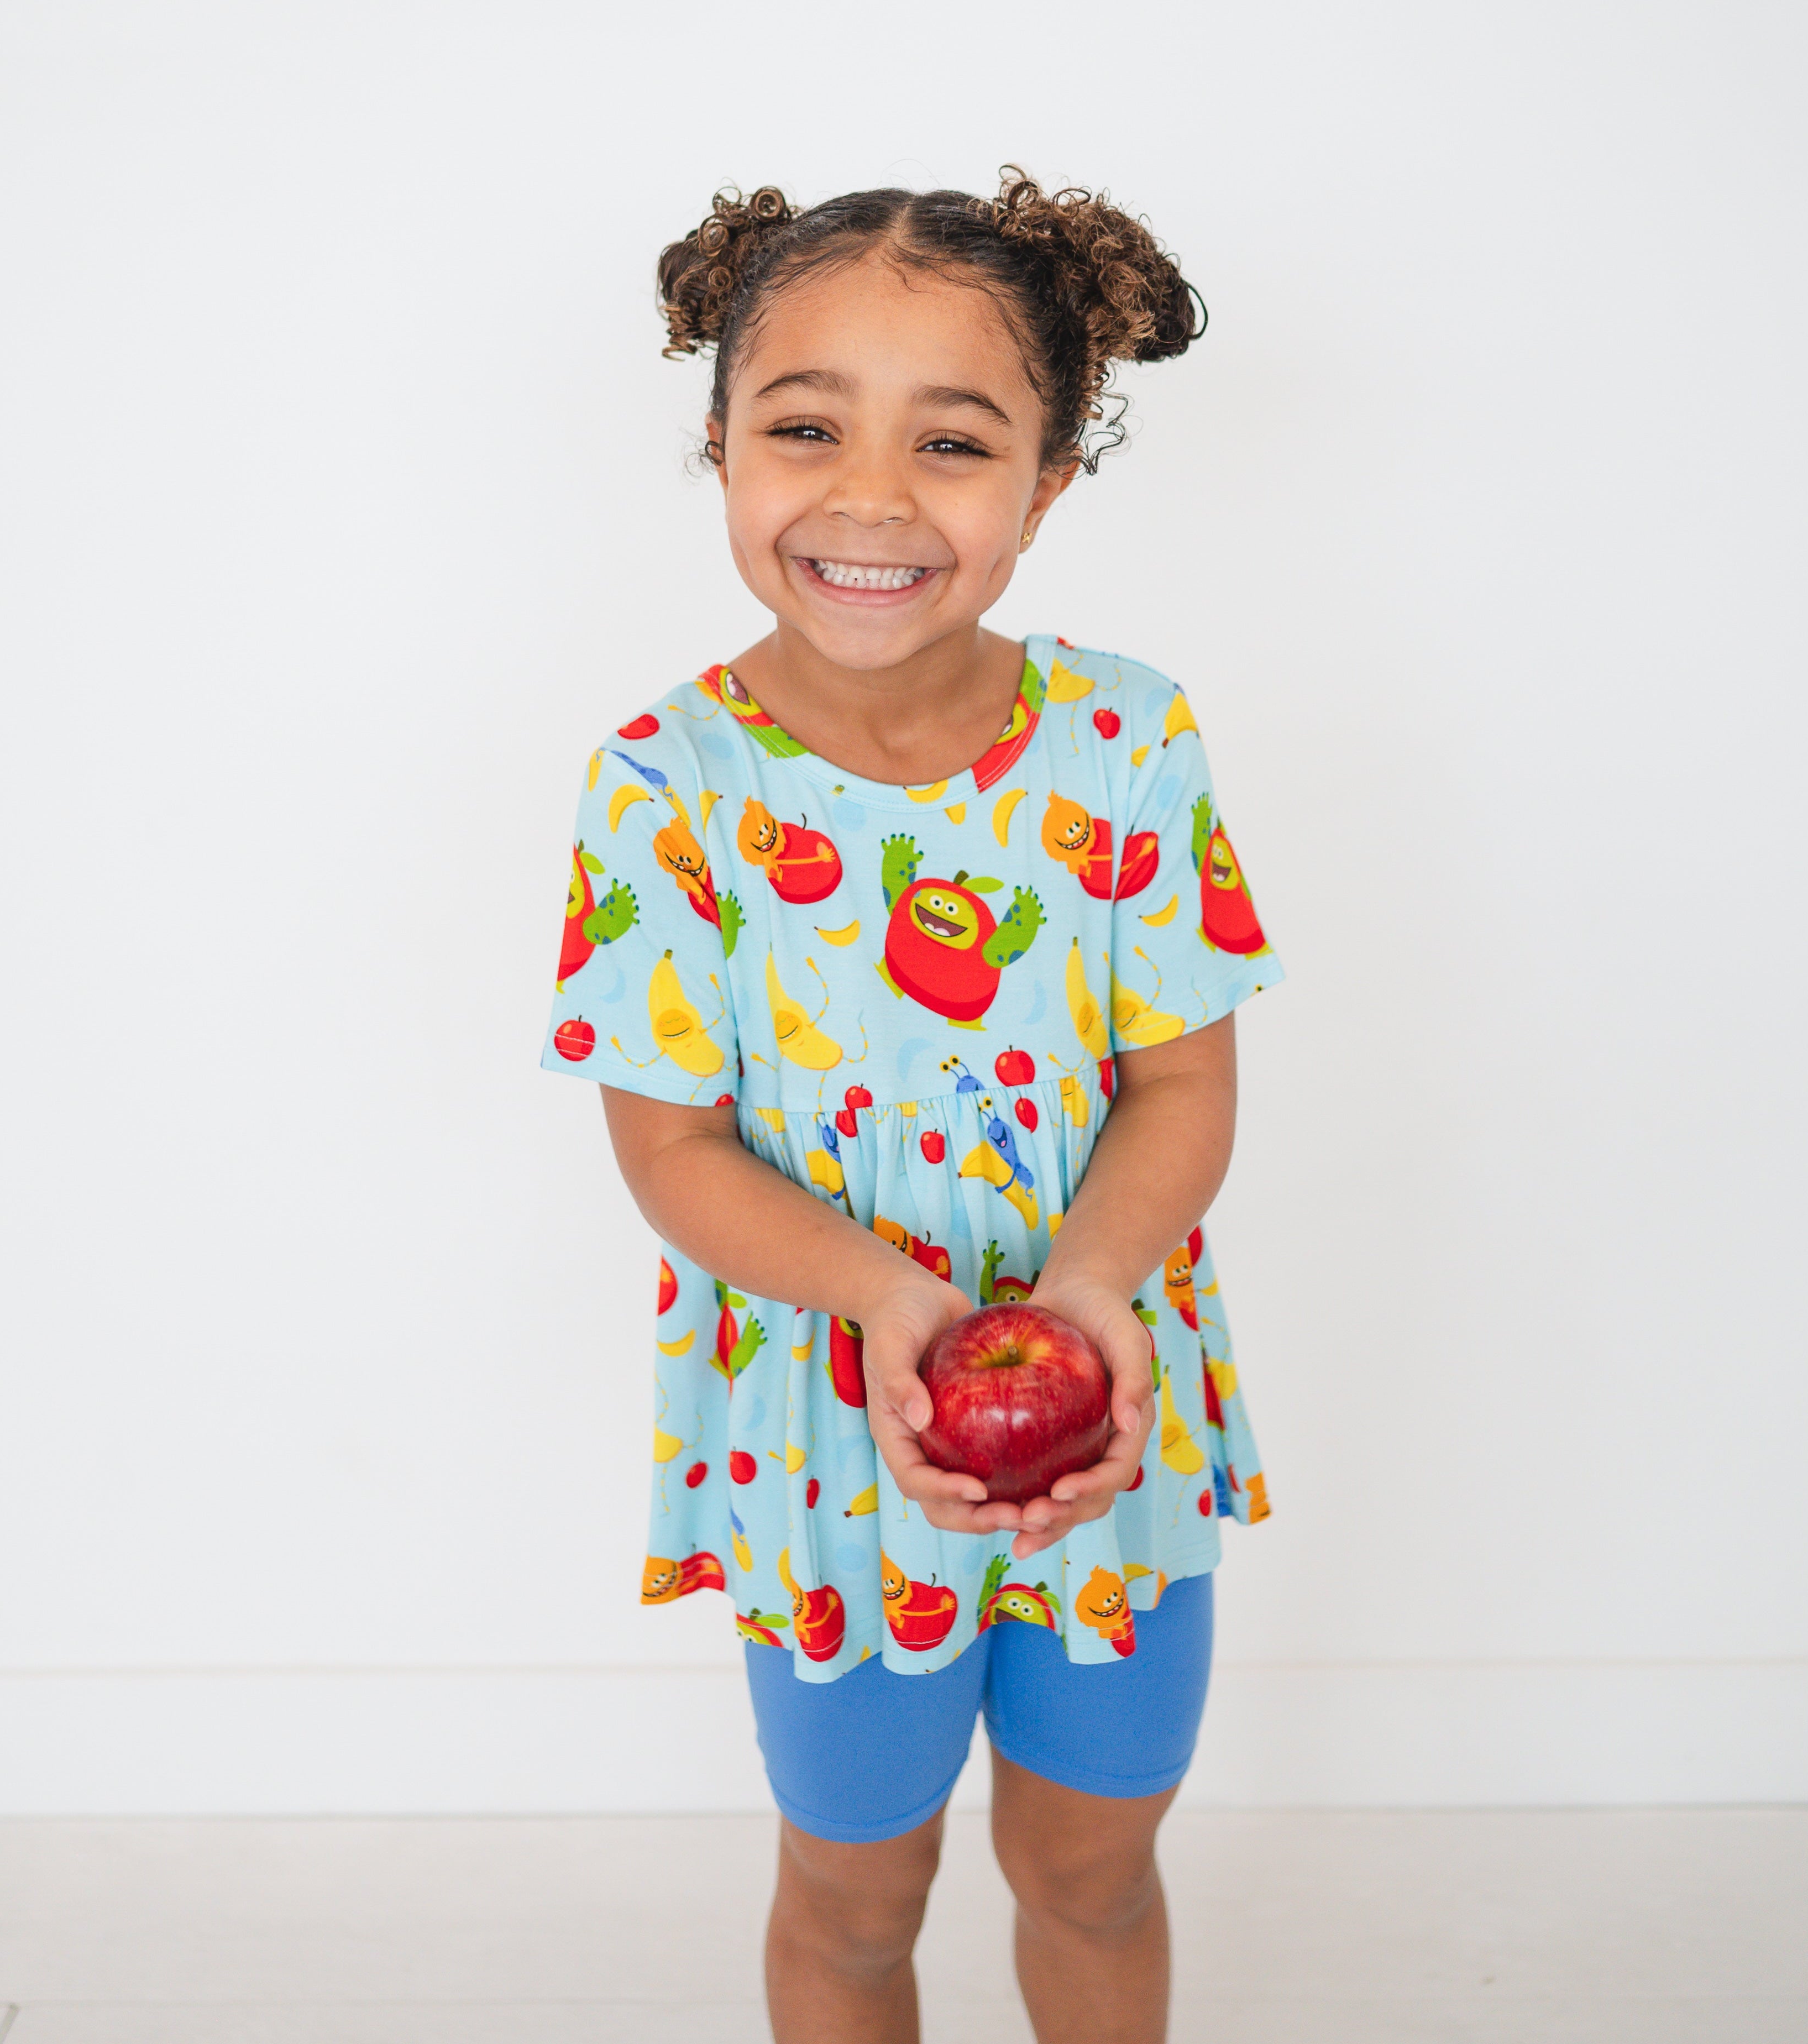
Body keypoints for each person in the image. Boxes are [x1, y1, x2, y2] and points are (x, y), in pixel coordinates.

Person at [542, 169, 1282, 2044]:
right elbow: (669, 1149)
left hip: (1108, 1423)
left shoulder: (1126, 740)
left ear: (1046, 485)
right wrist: (886, 1296)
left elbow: (1182, 1083)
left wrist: (1091, 1291)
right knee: (855, 1897)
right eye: (805, 428)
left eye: (950, 442)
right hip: (826, 1451)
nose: (870, 498)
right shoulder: (663, 785)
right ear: (719, 447)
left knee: (1092, 1868)